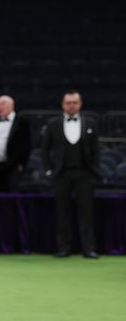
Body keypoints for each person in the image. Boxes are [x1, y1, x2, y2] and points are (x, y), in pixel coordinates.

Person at [41, 90, 100, 259]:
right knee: (62, 212)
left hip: (85, 174)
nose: (71, 105)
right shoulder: (53, 124)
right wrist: (48, 170)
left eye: (74, 102)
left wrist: (94, 170)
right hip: (62, 174)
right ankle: (63, 248)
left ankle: (89, 249)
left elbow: (96, 150)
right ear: (63, 105)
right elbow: (45, 150)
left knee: (86, 213)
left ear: (80, 104)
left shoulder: (91, 123)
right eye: (68, 103)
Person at [0, 95, 32, 193]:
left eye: (2, 104)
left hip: (14, 167)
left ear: (11, 105)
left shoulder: (22, 122)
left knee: (13, 195)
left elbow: (27, 144)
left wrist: (22, 164)